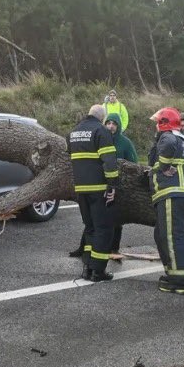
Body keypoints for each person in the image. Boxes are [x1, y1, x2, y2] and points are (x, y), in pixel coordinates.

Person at [68, 112, 136, 258]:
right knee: (93, 222)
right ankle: (85, 250)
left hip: (116, 185)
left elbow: (134, 164)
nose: (111, 126)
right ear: (104, 124)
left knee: (114, 220)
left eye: (114, 124)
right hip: (100, 185)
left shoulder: (125, 143)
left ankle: (113, 249)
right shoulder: (98, 135)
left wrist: (117, 183)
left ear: (119, 126)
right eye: (109, 123)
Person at [68, 104, 119, 282]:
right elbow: (110, 162)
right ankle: (98, 271)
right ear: (102, 118)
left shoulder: (73, 133)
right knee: (103, 230)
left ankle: (87, 268)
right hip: (98, 189)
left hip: (81, 189)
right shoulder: (101, 131)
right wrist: (112, 185)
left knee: (90, 228)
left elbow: (72, 159)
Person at [148, 107, 184, 294]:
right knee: (160, 234)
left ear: (163, 123)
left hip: (172, 192)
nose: (156, 126)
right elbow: (154, 160)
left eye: (157, 123)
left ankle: (178, 280)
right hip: (171, 193)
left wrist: (165, 165)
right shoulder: (179, 138)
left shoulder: (168, 136)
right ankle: (172, 272)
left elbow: (165, 150)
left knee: (171, 236)